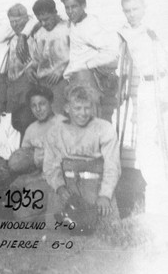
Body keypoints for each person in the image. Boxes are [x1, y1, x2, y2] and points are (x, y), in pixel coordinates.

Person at [118, 0, 168, 216]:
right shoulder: (126, 32)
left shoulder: (156, 27)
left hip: (163, 81)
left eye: (135, 9)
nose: (131, 14)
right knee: (146, 141)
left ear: (145, 7)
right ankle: (154, 192)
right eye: (127, 11)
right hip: (146, 87)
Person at [44, 85, 121, 223]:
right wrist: (60, 188)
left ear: (93, 108)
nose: (83, 113)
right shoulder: (55, 131)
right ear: (67, 108)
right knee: (55, 226)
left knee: (102, 225)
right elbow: (50, 165)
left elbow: (112, 165)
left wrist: (105, 194)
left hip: (94, 185)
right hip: (67, 186)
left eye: (87, 108)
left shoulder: (104, 128)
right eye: (77, 108)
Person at [61, 0, 120, 121]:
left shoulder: (91, 26)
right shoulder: (74, 23)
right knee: (77, 123)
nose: (70, 11)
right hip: (75, 79)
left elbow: (111, 52)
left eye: (74, 7)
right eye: (67, 8)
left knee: (90, 121)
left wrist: (88, 65)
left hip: (86, 79)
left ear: (84, 5)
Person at [7, 86, 64, 221]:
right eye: (34, 106)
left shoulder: (62, 124)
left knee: (23, 215)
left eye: (42, 104)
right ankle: (42, 205)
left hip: (55, 179)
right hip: (37, 176)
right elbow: (24, 160)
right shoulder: (31, 129)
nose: (38, 109)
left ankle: (53, 213)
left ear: (51, 102)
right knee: (12, 194)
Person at [27, 0, 69, 115]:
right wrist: (30, 68)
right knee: (43, 117)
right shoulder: (39, 33)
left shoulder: (67, 29)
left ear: (55, 13)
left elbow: (78, 55)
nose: (44, 23)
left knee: (59, 116)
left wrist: (62, 69)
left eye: (47, 19)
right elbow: (36, 58)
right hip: (42, 83)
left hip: (61, 81)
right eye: (40, 20)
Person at [5, 4, 39, 113]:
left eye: (17, 21)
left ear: (26, 19)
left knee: (26, 114)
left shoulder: (34, 33)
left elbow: (34, 21)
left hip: (27, 81)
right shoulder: (13, 37)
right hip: (11, 83)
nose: (14, 25)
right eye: (12, 21)